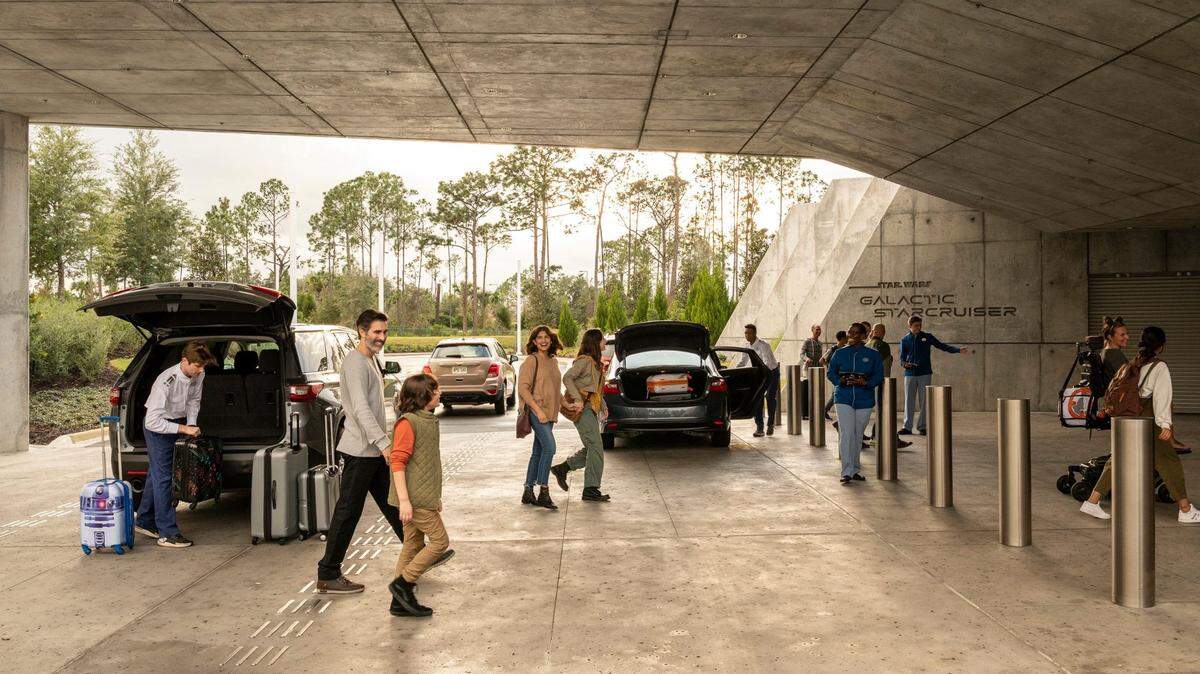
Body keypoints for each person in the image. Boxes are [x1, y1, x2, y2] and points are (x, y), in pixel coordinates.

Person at [317, 310, 416, 594]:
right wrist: (384, 443)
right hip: (361, 450)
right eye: (376, 332)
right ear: (361, 331)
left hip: (372, 449)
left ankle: (417, 553)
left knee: (393, 503)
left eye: (384, 332)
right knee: (348, 511)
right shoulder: (355, 362)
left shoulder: (371, 359)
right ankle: (328, 573)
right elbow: (359, 409)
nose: (381, 337)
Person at [1081, 326, 1200, 523]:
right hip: (1146, 418)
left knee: (1118, 459)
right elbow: (1162, 398)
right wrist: (1165, 425)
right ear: (1161, 347)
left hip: (1126, 417)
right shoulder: (1159, 367)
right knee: (1168, 460)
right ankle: (1186, 510)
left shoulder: (1132, 364)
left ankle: (1092, 502)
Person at [135, 341, 215, 548]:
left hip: (177, 424)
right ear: (184, 361)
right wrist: (183, 430)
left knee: (156, 474)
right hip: (157, 429)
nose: (200, 371)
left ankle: (144, 520)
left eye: (203, 367)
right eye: (197, 366)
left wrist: (191, 424)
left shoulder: (198, 374)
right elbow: (152, 422)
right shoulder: (166, 382)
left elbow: (193, 401)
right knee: (164, 479)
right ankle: (167, 533)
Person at [388, 373, 449, 617]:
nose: (439, 392)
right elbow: (397, 462)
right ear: (423, 395)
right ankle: (403, 584)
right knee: (440, 542)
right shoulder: (408, 423)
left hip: (423, 497)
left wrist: (435, 497)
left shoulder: (426, 419)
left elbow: (427, 465)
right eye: (435, 390)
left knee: (412, 545)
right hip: (413, 500)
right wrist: (404, 501)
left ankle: (398, 602)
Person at [551, 329, 610, 502]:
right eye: (602, 339)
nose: (605, 342)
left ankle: (563, 468)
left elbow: (596, 389)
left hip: (590, 409)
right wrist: (577, 399)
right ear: (595, 342)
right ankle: (590, 489)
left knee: (593, 447)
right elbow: (567, 378)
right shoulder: (584, 361)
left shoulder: (595, 362)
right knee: (596, 447)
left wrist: (603, 406)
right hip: (582, 410)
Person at [826, 323, 883, 484]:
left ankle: (855, 469)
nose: (853, 335)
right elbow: (831, 373)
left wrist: (865, 382)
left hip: (864, 399)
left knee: (858, 435)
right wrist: (840, 380)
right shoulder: (839, 353)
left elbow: (878, 375)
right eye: (851, 332)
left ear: (864, 336)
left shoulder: (873, 354)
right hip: (843, 397)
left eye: (857, 333)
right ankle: (846, 471)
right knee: (847, 433)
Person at [898, 315, 971, 435]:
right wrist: (905, 364)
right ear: (909, 326)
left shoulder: (927, 337)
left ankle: (922, 426)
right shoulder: (904, 340)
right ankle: (907, 427)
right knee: (909, 401)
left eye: (920, 325)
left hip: (925, 373)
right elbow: (902, 359)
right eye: (916, 325)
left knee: (924, 401)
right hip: (909, 374)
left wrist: (958, 350)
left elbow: (942, 346)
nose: (919, 327)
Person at [519, 325, 564, 510]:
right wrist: (538, 411)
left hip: (549, 414)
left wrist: (566, 404)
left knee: (538, 452)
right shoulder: (531, 360)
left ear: (551, 340)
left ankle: (528, 491)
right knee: (550, 448)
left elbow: (554, 388)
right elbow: (522, 388)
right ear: (534, 341)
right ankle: (543, 491)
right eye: (539, 337)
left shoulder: (553, 361)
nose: (544, 340)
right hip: (538, 412)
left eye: (546, 337)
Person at [740, 324, 780, 438]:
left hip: (772, 372)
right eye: (745, 333)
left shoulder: (764, 345)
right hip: (759, 374)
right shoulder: (747, 346)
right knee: (757, 398)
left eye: (749, 333)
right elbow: (743, 361)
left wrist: (761, 373)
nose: (747, 335)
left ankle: (771, 424)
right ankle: (760, 428)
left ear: (755, 333)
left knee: (770, 397)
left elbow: (767, 362)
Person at [821, 330, 848, 419]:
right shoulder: (834, 349)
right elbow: (821, 360)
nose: (847, 339)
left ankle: (825, 410)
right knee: (836, 393)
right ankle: (824, 410)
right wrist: (829, 367)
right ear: (843, 339)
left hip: (841, 374)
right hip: (836, 375)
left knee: (836, 393)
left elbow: (822, 360)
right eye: (846, 338)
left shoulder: (842, 348)